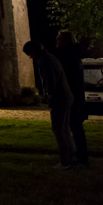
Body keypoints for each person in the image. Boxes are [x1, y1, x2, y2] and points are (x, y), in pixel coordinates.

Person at [23, 41, 75, 169]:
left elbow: (50, 80)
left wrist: (50, 96)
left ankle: (65, 162)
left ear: (33, 52)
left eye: (30, 55)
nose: (31, 58)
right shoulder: (50, 58)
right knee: (64, 129)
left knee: (59, 130)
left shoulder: (44, 61)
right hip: (65, 96)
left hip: (59, 98)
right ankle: (70, 159)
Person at [54, 30, 88, 165]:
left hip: (71, 96)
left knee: (74, 127)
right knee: (74, 127)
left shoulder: (68, 57)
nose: (57, 42)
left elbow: (69, 79)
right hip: (75, 96)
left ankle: (81, 156)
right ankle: (79, 154)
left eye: (59, 40)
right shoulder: (73, 55)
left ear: (66, 42)